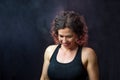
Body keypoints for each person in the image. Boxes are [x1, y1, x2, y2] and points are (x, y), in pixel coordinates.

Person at [40, 11, 99, 80]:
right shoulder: (49, 51)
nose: (64, 41)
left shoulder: (88, 54)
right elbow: (44, 78)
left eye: (69, 36)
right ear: (57, 34)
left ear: (77, 35)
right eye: (61, 36)